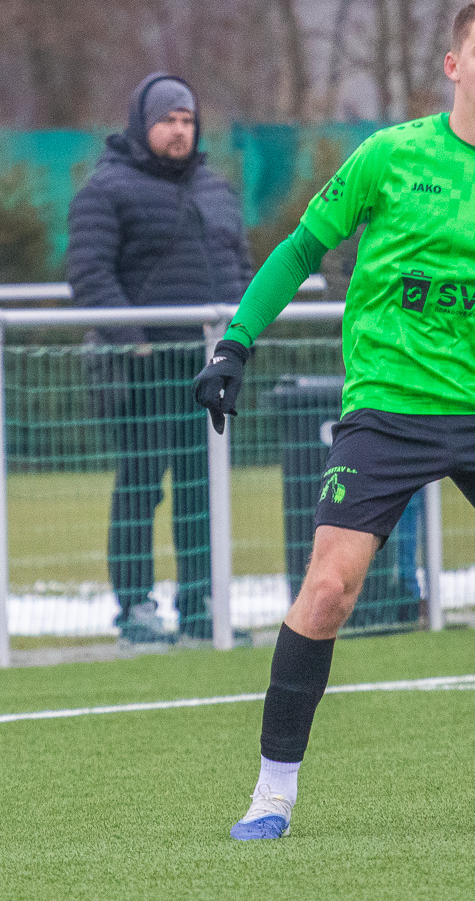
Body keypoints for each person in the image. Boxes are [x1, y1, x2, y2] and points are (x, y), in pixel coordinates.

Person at [193, 0, 475, 839]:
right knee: (329, 589)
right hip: (387, 408)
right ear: (453, 66)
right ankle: (272, 794)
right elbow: (298, 250)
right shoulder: (390, 156)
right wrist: (235, 346)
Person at [67, 72, 253, 643]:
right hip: (142, 370)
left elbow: (242, 268)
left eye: (187, 120)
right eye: (167, 120)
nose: (179, 130)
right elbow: (90, 275)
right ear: (141, 125)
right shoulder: (106, 189)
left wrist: (241, 337)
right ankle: (136, 610)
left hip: (208, 366)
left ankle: (201, 609)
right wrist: (135, 341)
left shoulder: (216, 190)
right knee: (140, 488)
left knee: (203, 492)